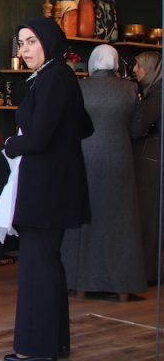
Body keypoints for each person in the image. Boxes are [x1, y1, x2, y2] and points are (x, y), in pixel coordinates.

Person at [2, 18, 93, 361]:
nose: (24, 49)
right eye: (21, 43)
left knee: (38, 268)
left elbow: (39, 138)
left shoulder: (53, 78)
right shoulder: (59, 75)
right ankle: (54, 343)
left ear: (49, 41)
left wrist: (11, 145)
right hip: (54, 185)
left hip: (45, 189)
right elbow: (85, 125)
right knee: (47, 265)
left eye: (31, 41)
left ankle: (38, 348)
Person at [62, 45, 145, 298]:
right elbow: (135, 129)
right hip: (119, 156)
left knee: (82, 215)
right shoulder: (130, 89)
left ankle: (79, 282)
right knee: (120, 218)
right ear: (116, 63)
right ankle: (122, 287)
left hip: (84, 154)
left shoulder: (80, 87)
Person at [130, 51, 162, 282]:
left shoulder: (157, 95)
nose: (135, 70)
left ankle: (149, 272)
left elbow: (137, 127)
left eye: (139, 66)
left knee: (149, 216)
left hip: (152, 160)